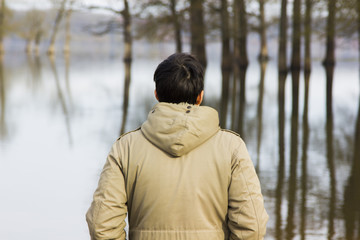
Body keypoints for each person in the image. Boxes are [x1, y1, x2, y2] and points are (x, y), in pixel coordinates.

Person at [86, 53, 269, 240]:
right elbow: (252, 226)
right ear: (200, 96)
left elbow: (102, 226)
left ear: (157, 95)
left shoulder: (125, 148)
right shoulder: (232, 147)